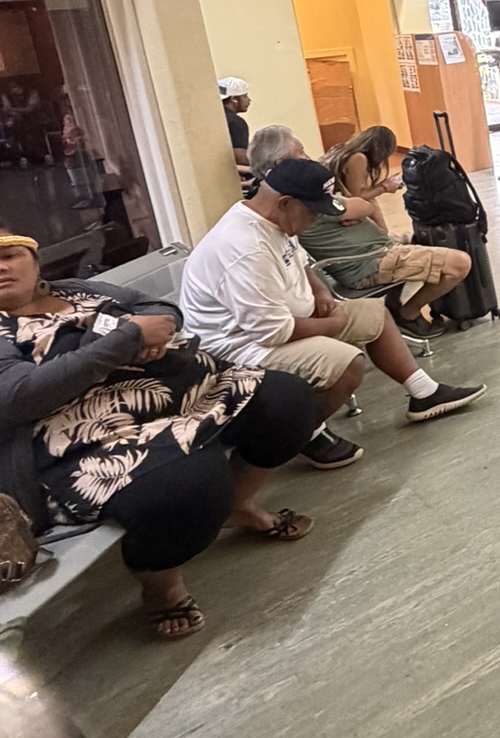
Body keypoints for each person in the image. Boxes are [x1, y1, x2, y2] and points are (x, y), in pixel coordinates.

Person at [0, 232, 320, 640]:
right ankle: (160, 585)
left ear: (35, 262)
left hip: (181, 392)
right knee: (190, 487)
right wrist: (127, 338)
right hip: (88, 437)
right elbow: (19, 396)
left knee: (288, 403)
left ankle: (236, 506)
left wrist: (155, 334)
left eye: (10, 255)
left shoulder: (76, 289)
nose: (1, 267)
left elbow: (157, 306)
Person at [179, 157, 485, 468]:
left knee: (375, 314)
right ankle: (302, 432)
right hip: (240, 347)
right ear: (285, 202)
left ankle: (425, 393)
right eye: (312, 211)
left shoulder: (274, 219)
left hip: (283, 320)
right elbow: (271, 331)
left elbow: (301, 262)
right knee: (346, 364)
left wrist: (321, 292)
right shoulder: (245, 248)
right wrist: (331, 323)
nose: (315, 219)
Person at [305, 126, 472, 322]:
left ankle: (396, 303)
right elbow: (359, 199)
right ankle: (407, 314)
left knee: (414, 239)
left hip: (369, 250)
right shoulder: (356, 160)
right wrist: (383, 189)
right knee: (459, 263)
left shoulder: (323, 190)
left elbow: (357, 200)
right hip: (369, 259)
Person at [219, 77, 253, 178]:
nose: (249, 100)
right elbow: (240, 159)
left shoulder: (216, 119)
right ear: (234, 99)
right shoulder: (236, 123)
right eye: (245, 96)